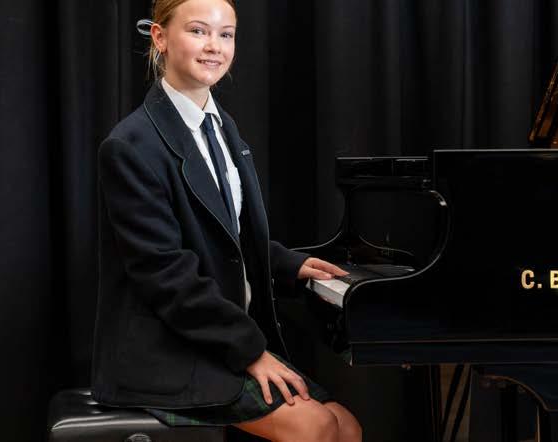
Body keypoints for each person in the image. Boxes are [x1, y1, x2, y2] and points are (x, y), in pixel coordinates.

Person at [90, 0, 361, 440]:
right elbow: (166, 276)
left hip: (215, 339)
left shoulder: (221, 126)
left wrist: (288, 264)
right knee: (317, 428)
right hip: (170, 352)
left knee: (347, 425)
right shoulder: (130, 146)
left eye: (226, 34)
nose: (214, 46)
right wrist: (251, 351)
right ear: (160, 37)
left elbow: (221, 235)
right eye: (198, 31)